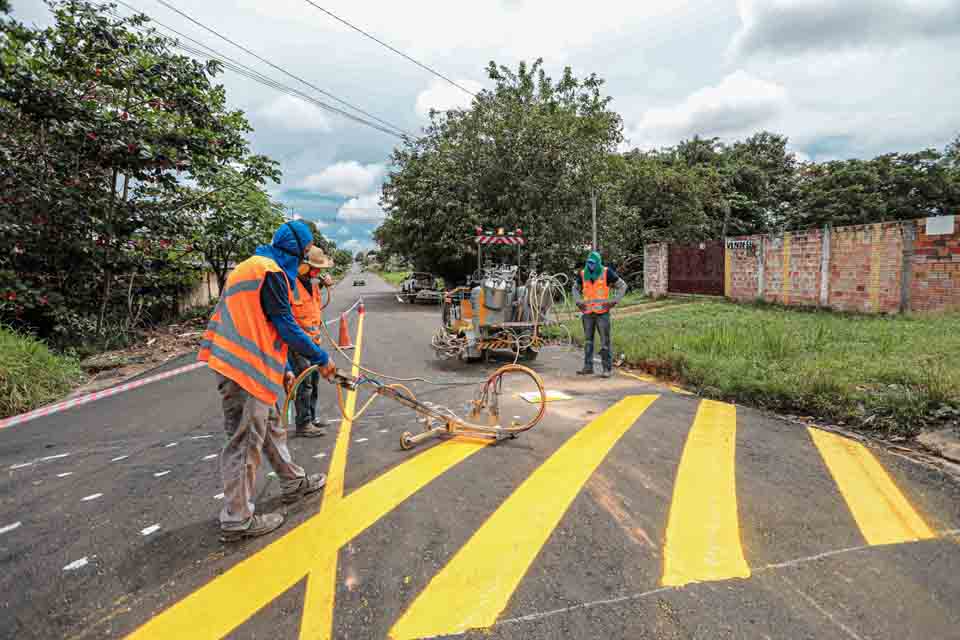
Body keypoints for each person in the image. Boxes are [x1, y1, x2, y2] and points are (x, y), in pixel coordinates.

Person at [198, 220, 337, 542]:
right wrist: (321, 358)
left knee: (272, 424)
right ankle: (237, 519)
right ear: (294, 250)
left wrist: (283, 367)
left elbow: (260, 323)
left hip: (246, 363)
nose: (306, 261)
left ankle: (292, 481)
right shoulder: (271, 271)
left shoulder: (252, 266)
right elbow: (286, 326)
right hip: (244, 367)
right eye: (304, 253)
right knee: (245, 440)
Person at [289, 246, 335, 437]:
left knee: (314, 382)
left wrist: (323, 285)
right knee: (304, 384)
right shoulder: (290, 285)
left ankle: (311, 417)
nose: (319, 273)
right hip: (298, 344)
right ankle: (303, 424)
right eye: (315, 269)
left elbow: (314, 307)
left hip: (313, 343)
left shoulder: (313, 284)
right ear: (303, 266)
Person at [572, 251, 627, 378]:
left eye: (593, 263)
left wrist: (613, 302)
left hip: (602, 313)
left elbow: (622, 286)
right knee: (588, 341)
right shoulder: (582, 274)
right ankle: (588, 367)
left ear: (598, 263)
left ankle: (606, 369)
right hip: (587, 313)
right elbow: (575, 288)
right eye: (588, 263)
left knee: (604, 342)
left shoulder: (606, 272)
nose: (590, 266)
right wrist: (578, 301)